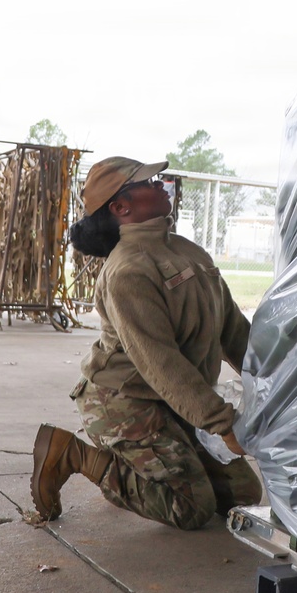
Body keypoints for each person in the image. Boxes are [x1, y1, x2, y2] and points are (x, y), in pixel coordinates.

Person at [31, 156, 262, 530]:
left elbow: (233, 329)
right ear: (121, 207)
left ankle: (146, 465)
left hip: (171, 399)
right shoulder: (127, 270)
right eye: (148, 181)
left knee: (242, 494)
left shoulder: (186, 250)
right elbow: (160, 362)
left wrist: (281, 378)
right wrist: (221, 423)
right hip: (123, 402)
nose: (159, 184)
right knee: (189, 507)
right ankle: (75, 456)